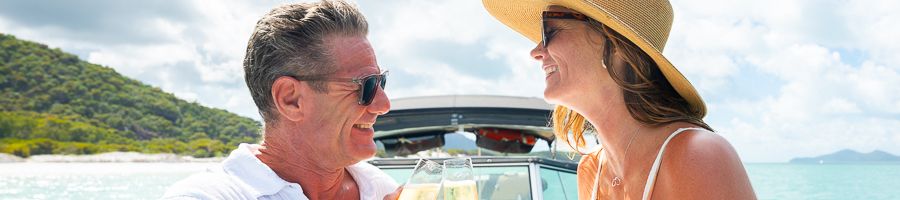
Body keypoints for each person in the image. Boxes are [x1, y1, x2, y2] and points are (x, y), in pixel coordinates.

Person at [482, 0, 756, 199]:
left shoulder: (698, 156)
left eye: (549, 30)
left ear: (615, 44)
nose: (536, 51)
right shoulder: (589, 170)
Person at [162, 1, 401, 199]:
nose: (384, 105)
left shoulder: (380, 188)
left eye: (381, 82)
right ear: (291, 99)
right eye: (367, 85)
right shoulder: (206, 195)